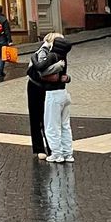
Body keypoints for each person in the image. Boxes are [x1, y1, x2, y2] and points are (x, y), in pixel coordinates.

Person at [33, 35, 74, 163]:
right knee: (65, 126)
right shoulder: (63, 57)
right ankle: (68, 154)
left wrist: (33, 57)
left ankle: (57, 154)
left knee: (51, 126)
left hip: (53, 94)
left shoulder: (52, 56)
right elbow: (64, 76)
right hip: (64, 93)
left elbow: (40, 67)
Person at [24, 35, 57, 158]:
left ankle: (49, 148)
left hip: (41, 86)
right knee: (38, 117)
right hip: (36, 86)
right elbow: (41, 70)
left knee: (46, 118)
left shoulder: (50, 52)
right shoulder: (43, 52)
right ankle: (40, 149)